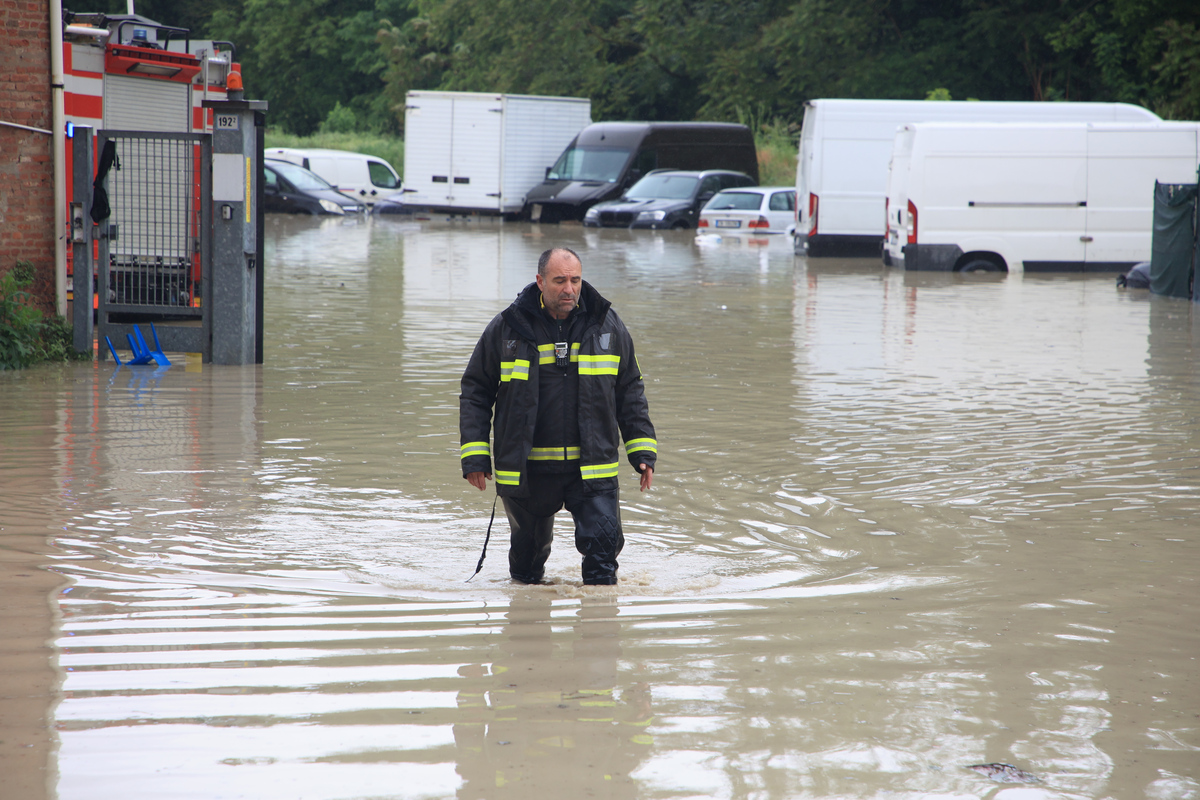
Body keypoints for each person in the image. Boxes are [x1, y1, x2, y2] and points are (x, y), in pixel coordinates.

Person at [459, 247, 657, 585]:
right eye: (559, 280)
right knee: (526, 569)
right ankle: (526, 629)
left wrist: (642, 451)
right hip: (529, 470)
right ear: (539, 281)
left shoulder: (606, 325)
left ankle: (599, 629)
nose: (569, 289)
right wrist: (475, 455)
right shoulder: (508, 328)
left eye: (576, 280)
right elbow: (476, 391)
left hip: (593, 468)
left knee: (603, 560)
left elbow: (630, 389)